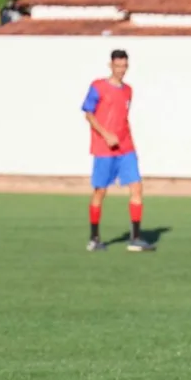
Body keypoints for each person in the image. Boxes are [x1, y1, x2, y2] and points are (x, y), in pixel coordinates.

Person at [81, 49, 154, 253]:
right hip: (104, 149)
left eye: (124, 66)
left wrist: (122, 136)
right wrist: (106, 135)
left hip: (126, 147)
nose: (121, 70)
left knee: (137, 187)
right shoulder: (98, 87)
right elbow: (88, 113)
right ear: (110, 65)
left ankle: (135, 238)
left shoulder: (128, 90)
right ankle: (94, 238)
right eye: (118, 66)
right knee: (100, 191)